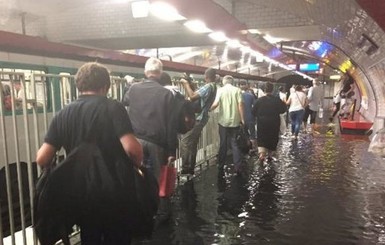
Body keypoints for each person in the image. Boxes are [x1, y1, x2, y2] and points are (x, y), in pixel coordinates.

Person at [36, 62, 143, 244]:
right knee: (118, 237)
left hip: (81, 192)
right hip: (115, 191)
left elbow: (42, 158)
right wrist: (139, 167)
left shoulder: (64, 113)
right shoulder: (113, 108)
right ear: (106, 86)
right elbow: (132, 149)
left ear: (79, 85)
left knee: (90, 236)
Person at [126, 57, 178, 226]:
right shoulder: (166, 94)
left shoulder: (133, 90)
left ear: (145, 72)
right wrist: (172, 151)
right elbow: (171, 125)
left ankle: (140, 210)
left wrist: (130, 84)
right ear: (160, 73)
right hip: (158, 143)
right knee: (160, 179)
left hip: (137, 141)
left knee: (137, 177)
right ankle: (162, 213)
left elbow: (123, 101)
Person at [179, 68, 217, 175]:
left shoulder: (209, 86)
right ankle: (190, 168)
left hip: (198, 118)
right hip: (203, 118)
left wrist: (185, 83)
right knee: (193, 143)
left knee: (185, 142)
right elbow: (199, 94)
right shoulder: (214, 87)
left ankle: (186, 169)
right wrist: (192, 84)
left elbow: (192, 96)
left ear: (206, 76)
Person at [210, 75, 244, 174]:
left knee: (223, 144)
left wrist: (207, 110)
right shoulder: (237, 90)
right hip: (235, 122)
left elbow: (216, 104)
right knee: (235, 144)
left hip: (223, 122)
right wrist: (242, 119)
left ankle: (221, 165)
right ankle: (237, 167)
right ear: (232, 82)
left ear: (224, 82)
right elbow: (240, 105)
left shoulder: (220, 90)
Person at [252, 82, 287, 161]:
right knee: (272, 137)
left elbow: (253, 112)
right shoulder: (277, 100)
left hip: (262, 123)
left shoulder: (259, 100)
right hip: (274, 123)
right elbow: (283, 110)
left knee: (262, 138)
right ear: (272, 90)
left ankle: (262, 154)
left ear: (264, 89)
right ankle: (270, 155)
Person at [239, 80, 256, 152]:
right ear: (246, 86)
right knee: (252, 133)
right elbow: (254, 106)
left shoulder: (238, 95)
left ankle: (246, 147)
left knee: (245, 133)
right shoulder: (251, 95)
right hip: (250, 117)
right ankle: (253, 148)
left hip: (241, 117)